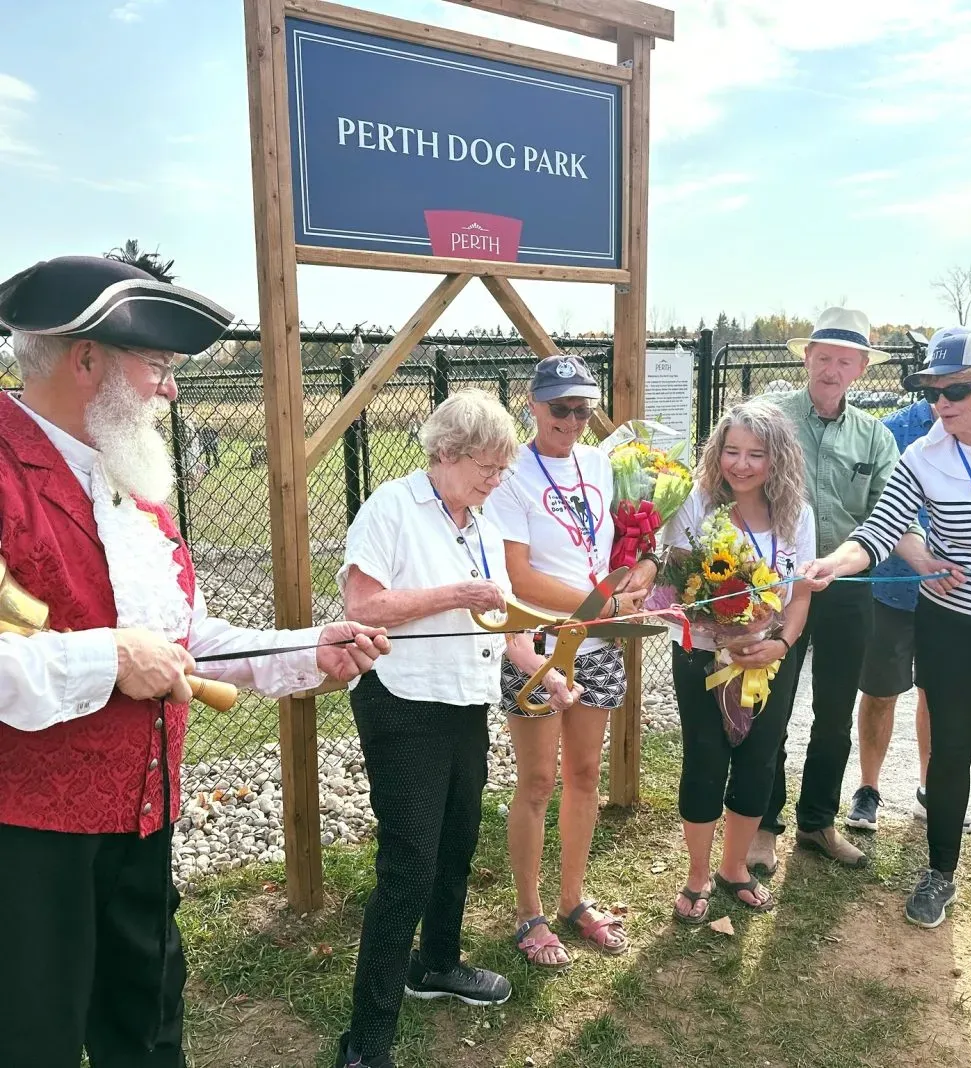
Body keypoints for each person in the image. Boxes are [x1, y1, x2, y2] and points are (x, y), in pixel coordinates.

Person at [0, 255, 389, 1068]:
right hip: (28, 842)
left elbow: (186, 641)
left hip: (144, 818)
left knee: (147, 1029)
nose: (170, 389)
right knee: (28, 1037)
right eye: (160, 366)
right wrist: (107, 658)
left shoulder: (130, 483)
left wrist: (306, 648)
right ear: (86, 359)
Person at [335, 390, 582, 1068]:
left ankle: (437, 964)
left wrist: (548, 674)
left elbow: (505, 626)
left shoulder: (479, 520)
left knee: (455, 845)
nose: (496, 480)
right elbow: (365, 605)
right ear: (446, 453)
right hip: (402, 702)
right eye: (487, 467)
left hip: (464, 704)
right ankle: (367, 1040)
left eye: (502, 469)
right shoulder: (390, 506)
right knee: (408, 863)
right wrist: (455, 594)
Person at [802, 326, 971, 928]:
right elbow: (877, 530)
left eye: (957, 390)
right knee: (952, 746)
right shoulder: (925, 455)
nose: (942, 403)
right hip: (951, 617)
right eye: (931, 390)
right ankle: (940, 871)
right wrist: (831, 565)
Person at [483, 355, 659, 967]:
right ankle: (529, 912)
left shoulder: (602, 464)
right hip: (537, 643)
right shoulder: (512, 476)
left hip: (600, 643)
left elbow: (630, 541)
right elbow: (518, 574)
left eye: (583, 408)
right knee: (537, 782)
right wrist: (602, 602)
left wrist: (639, 577)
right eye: (560, 408)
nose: (573, 419)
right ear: (533, 406)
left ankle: (573, 900)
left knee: (585, 775)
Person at [746, 307, 900, 875]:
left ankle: (817, 822)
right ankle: (763, 826)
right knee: (771, 708)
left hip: (849, 589)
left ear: (861, 369)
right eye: (824, 357)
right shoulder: (767, 420)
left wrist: (934, 562)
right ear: (806, 359)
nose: (832, 369)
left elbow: (891, 515)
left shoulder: (876, 436)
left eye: (845, 360)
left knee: (834, 714)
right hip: (774, 589)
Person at [666, 399, 814, 920]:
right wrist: (720, 633)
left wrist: (781, 644)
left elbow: (800, 594)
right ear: (717, 453)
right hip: (704, 660)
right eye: (731, 451)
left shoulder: (797, 515)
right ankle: (697, 876)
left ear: (778, 459)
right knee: (705, 762)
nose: (742, 464)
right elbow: (674, 588)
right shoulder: (696, 507)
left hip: (773, 660)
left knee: (758, 763)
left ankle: (735, 868)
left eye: (756, 454)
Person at [845, 400, 971, 835]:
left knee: (937, 695)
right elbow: (872, 509)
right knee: (881, 692)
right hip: (892, 589)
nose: (947, 394)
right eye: (938, 382)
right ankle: (868, 790)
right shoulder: (892, 432)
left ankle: (931, 790)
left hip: (956, 594)